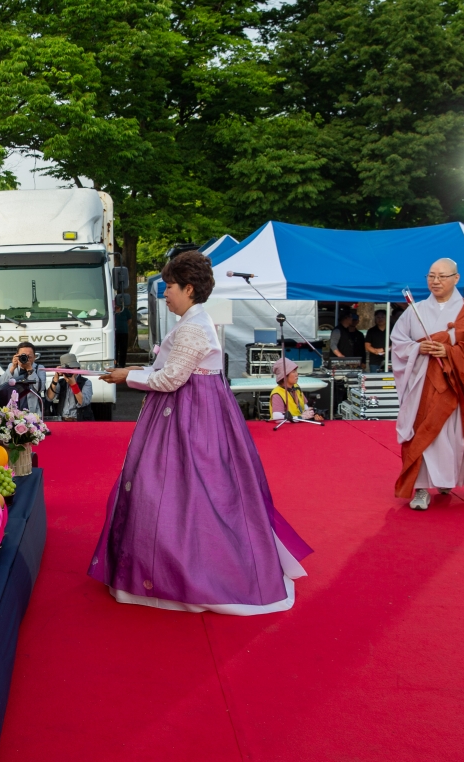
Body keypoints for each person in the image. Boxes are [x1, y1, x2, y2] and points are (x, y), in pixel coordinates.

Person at [89, 251, 311, 614]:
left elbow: (170, 378)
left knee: (174, 492)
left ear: (189, 289)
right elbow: (170, 368)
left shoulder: (193, 325)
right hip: (190, 412)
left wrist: (126, 376)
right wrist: (131, 369)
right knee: (187, 492)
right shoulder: (194, 320)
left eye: (170, 288)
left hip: (188, 417)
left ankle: (181, 574)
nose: (165, 294)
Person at [391, 258, 464, 511]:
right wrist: (419, 347)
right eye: (431, 276)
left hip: (454, 385)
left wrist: (449, 350)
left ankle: (446, 480)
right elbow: (398, 343)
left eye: (442, 276)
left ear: (456, 278)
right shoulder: (414, 310)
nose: (436, 281)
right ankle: (420, 489)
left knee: (453, 437)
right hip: (423, 385)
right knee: (422, 435)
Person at [0, 341, 47, 415]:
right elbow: (1, 384)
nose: (26, 358)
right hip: (14, 413)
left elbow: (40, 388)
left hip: (33, 413)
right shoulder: (12, 366)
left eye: (29, 356)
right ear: (16, 355)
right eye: (23, 356)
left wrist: (30, 369)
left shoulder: (39, 368)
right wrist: (13, 367)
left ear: (34, 357)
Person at [47, 353, 94, 421]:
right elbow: (49, 398)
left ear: (78, 368)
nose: (71, 371)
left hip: (80, 420)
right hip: (62, 420)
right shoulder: (61, 382)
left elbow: (83, 402)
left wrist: (73, 385)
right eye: (68, 369)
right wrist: (55, 378)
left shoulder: (86, 382)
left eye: (73, 368)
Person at [114, 299, 131, 368]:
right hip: (115, 333)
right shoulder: (112, 311)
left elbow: (129, 320)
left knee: (123, 349)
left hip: (124, 332)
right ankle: (115, 362)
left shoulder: (125, 310)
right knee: (115, 348)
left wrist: (125, 326)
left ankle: (122, 364)